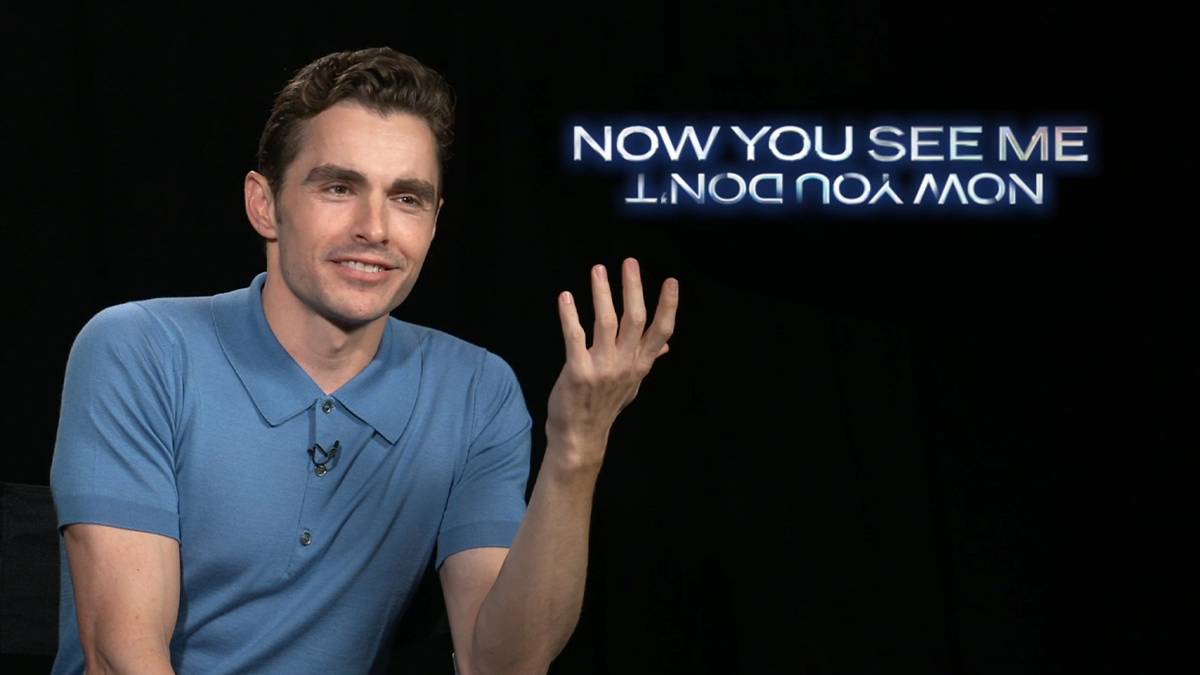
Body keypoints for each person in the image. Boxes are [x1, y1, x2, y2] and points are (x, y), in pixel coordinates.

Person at [48, 47, 678, 675]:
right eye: (339, 187)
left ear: (433, 222)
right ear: (265, 204)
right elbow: (121, 660)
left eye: (406, 198)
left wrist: (576, 449)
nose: (374, 228)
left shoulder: (476, 390)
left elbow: (500, 666)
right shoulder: (139, 349)